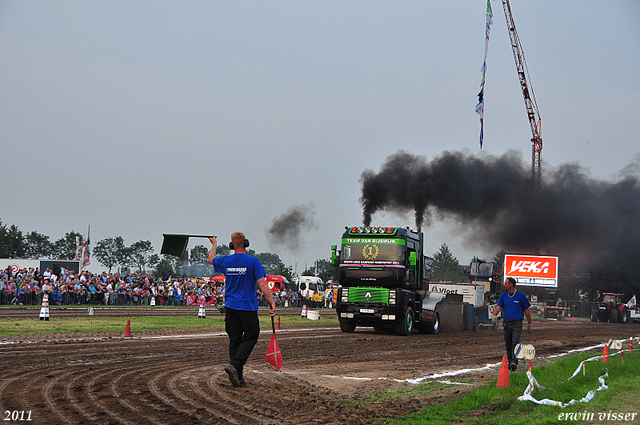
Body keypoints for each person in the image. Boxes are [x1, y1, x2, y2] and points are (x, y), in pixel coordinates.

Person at [208, 232, 276, 388]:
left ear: (232, 245)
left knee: (235, 340)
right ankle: (235, 364)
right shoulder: (253, 262)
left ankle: (237, 377)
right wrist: (271, 302)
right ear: (246, 243)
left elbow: (210, 260)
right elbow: (263, 284)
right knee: (252, 336)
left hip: (230, 307)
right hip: (247, 306)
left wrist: (214, 244)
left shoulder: (226, 260)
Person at [491, 277, 532, 371]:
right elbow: (498, 307)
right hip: (506, 323)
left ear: (511, 285)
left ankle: (514, 361)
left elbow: (527, 310)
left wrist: (529, 324)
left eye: (506, 283)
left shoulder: (521, 296)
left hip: (517, 323)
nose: (504, 285)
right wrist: (494, 315)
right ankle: (510, 362)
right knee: (508, 344)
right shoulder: (503, 296)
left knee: (515, 343)